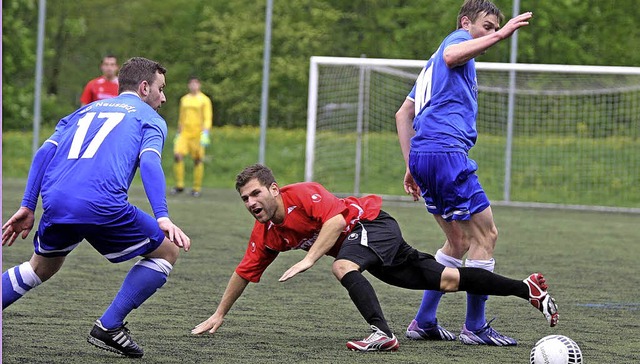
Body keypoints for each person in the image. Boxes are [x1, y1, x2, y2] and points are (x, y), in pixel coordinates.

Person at [191, 164, 558, 352]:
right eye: (245, 199)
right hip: (372, 246)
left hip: (370, 225)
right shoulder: (267, 233)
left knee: (342, 265)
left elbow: (336, 222)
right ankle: (527, 290)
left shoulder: (303, 194)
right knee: (448, 279)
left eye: (256, 194)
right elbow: (244, 271)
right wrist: (220, 313)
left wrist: (308, 259)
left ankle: (382, 334)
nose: (251, 203)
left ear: (273, 189)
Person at [2, 57, 191, 358]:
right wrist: (163, 216)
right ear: (144, 88)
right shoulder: (149, 118)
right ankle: (109, 325)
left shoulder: (80, 112)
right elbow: (151, 161)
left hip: (57, 200)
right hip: (102, 204)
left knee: (39, 267)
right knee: (167, 251)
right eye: (161, 88)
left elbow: (42, 154)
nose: (164, 97)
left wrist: (28, 206)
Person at [395, 0, 533, 346]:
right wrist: (501, 35)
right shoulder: (454, 43)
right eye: (485, 26)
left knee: (458, 241)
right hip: (446, 153)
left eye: (493, 28)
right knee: (486, 238)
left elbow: (403, 113)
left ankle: (424, 321)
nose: (488, 33)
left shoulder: (430, 71)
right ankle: (475, 326)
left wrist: (411, 165)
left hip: (426, 155)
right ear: (465, 23)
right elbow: (452, 55)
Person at [171, 76, 213, 197]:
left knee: (197, 159)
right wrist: (179, 132)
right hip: (185, 133)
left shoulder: (204, 100)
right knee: (177, 155)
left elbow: (207, 117)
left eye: (196, 83)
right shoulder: (184, 99)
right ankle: (179, 185)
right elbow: (182, 116)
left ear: (199, 85)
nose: (193, 86)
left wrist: (205, 132)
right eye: (191, 83)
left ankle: (196, 187)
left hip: (197, 133)